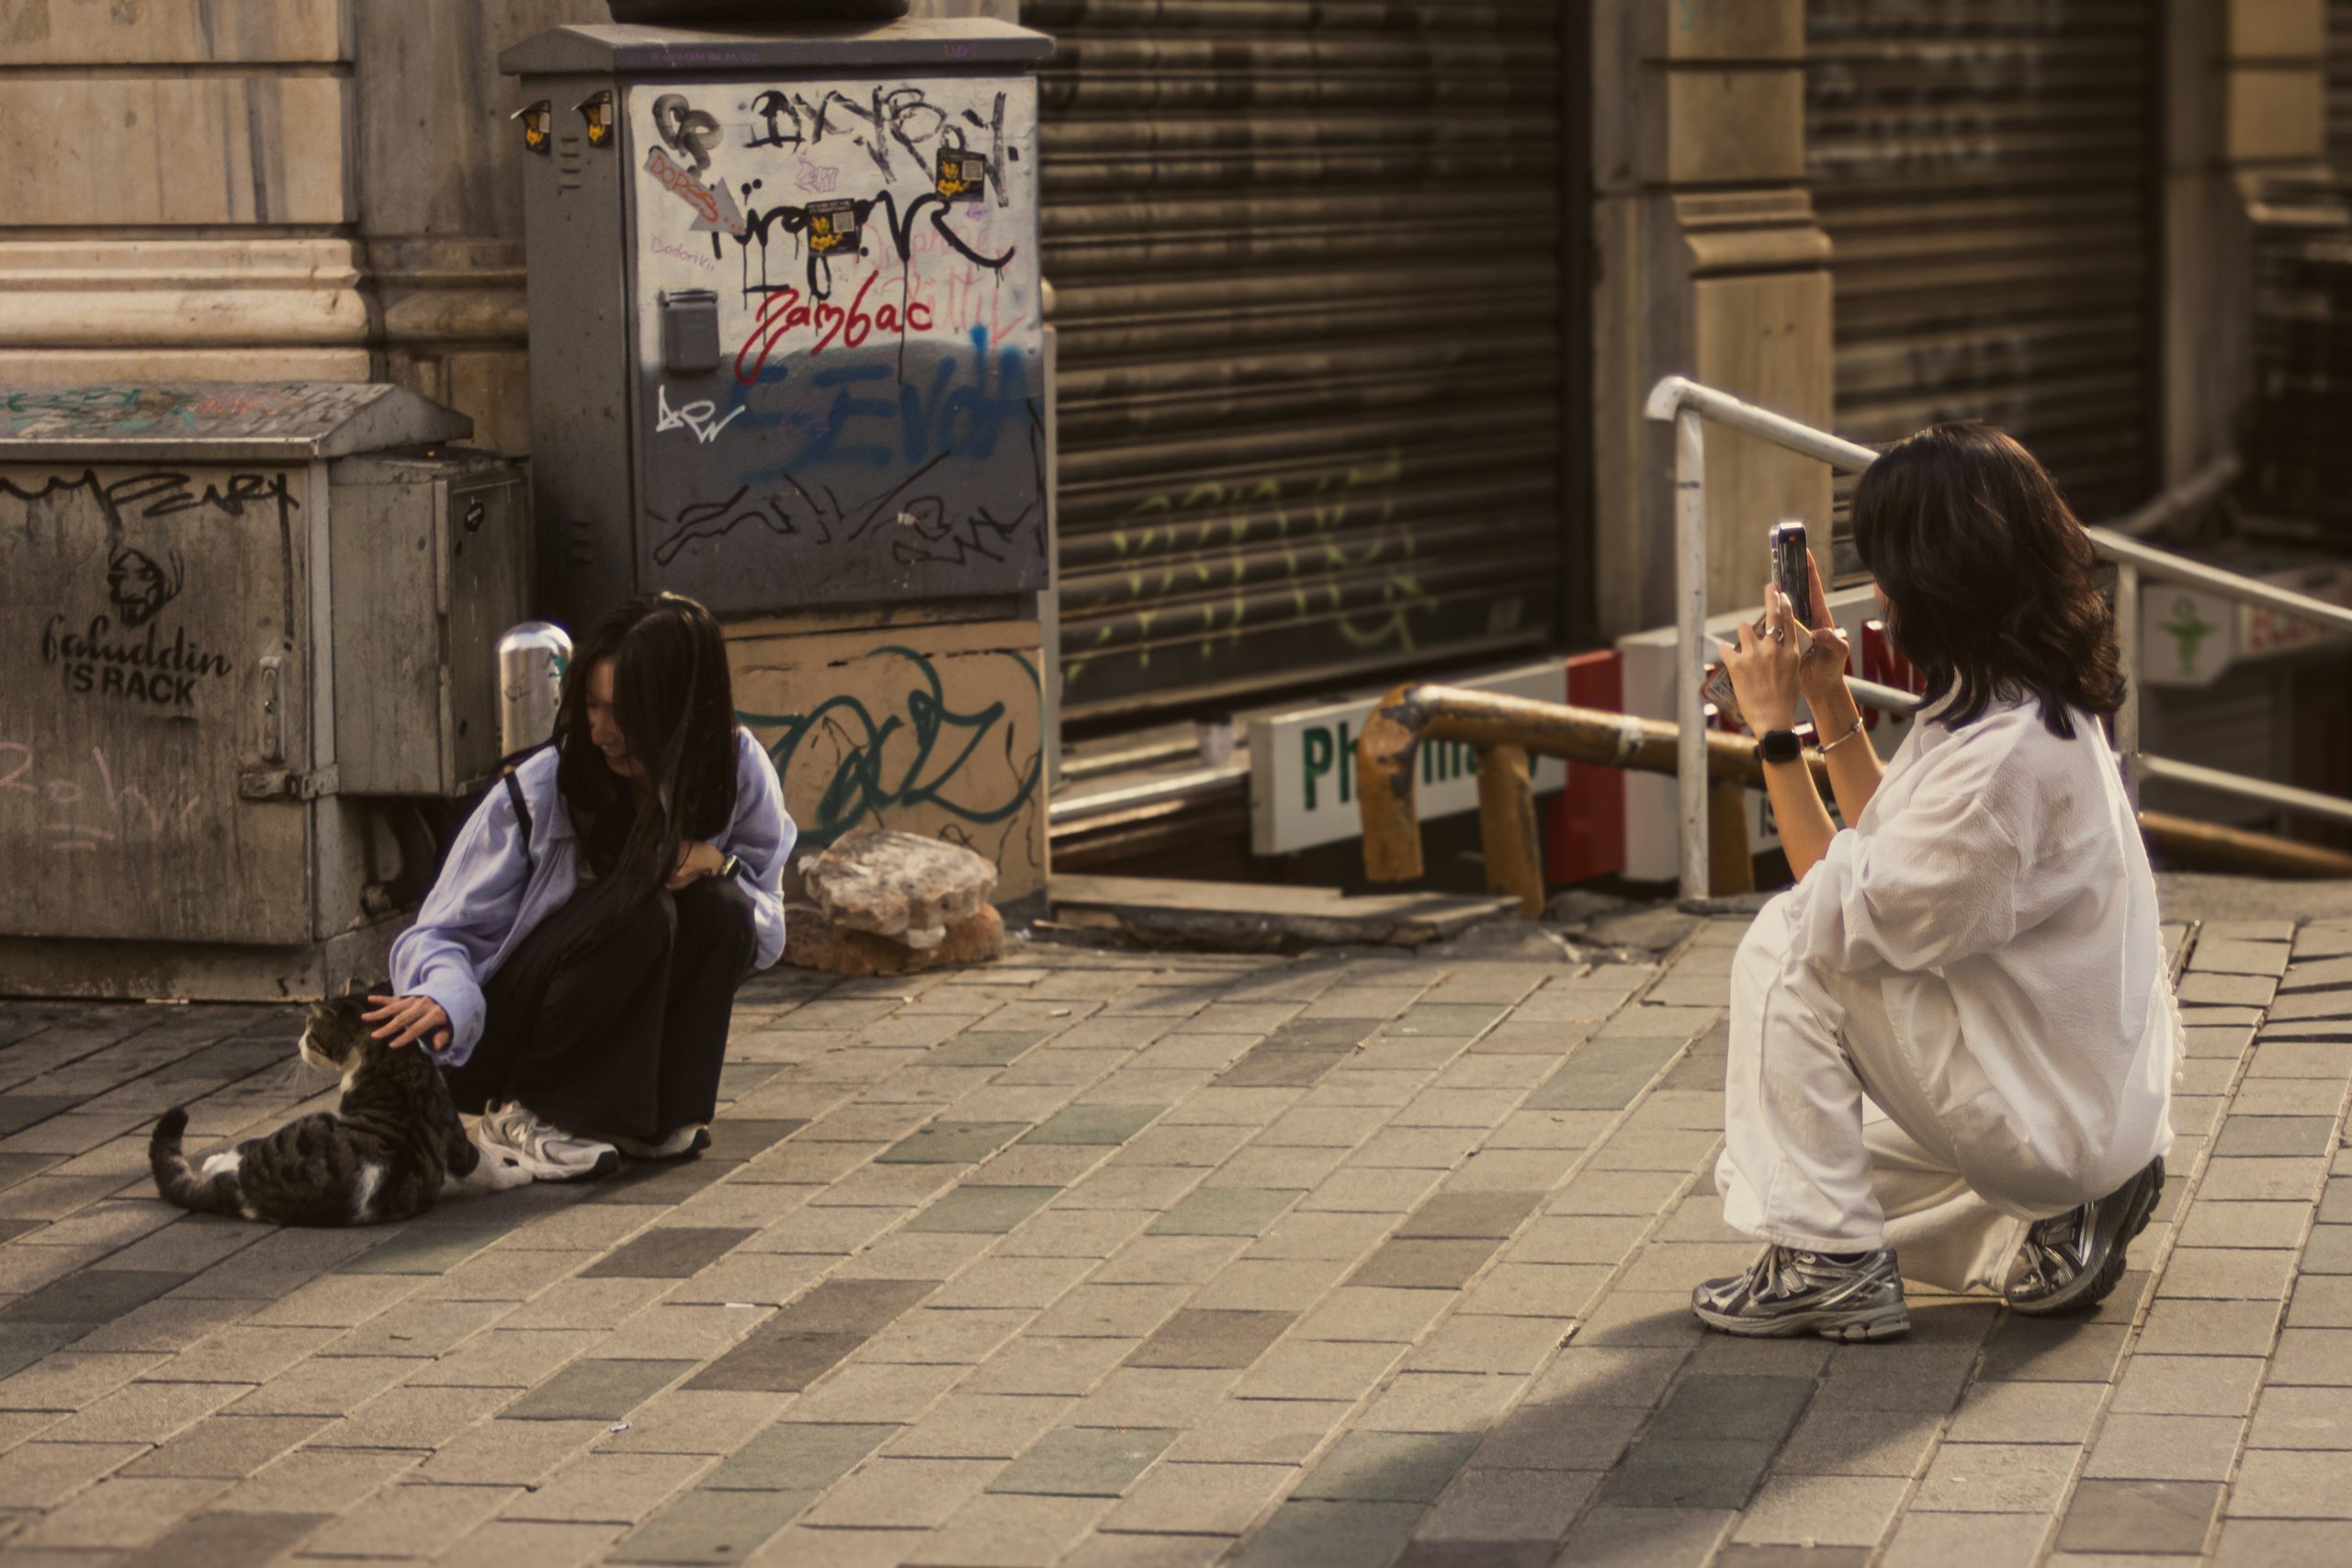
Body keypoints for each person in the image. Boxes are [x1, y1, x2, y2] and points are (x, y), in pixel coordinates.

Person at [1695, 423, 2177, 1341]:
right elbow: (1897, 856)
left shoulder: (2003, 763)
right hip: (2088, 1097)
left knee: (1787, 947)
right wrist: (1827, 698)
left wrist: (1772, 734)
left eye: (1884, 565)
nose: (1876, 592)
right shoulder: (2019, 701)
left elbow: (1838, 911)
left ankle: (1829, 1271)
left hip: (2055, 1116)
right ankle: (2058, 1225)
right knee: (1785, 1166)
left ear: (1934, 576)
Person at [367, 592, 797, 1181]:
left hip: (613, 1010)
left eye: (623, 714)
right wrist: (444, 993)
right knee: (640, 909)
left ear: (682, 711)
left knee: (723, 907)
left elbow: (766, 931)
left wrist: (711, 861)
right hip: (492, 1038)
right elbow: (439, 931)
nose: (600, 732)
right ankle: (524, 1114)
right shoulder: (542, 788)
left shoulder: (735, 767)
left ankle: (647, 1117)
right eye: (591, 706)